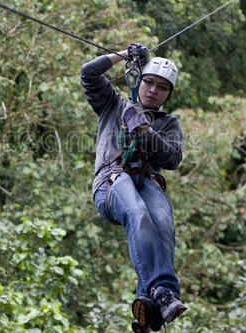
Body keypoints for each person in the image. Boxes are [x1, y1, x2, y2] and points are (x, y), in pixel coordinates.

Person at [80, 43, 187, 332]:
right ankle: (162, 292)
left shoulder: (168, 123)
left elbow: (173, 158)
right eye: (149, 82)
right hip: (111, 182)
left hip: (146, 181)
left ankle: (149, 308)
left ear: (168, 94)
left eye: (162, 87)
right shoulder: (112, 104)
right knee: (138, 213)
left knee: (163, 223)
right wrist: (123, 56)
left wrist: (144, 131)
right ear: (138, 80)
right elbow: (88, 73)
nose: (153, 90)